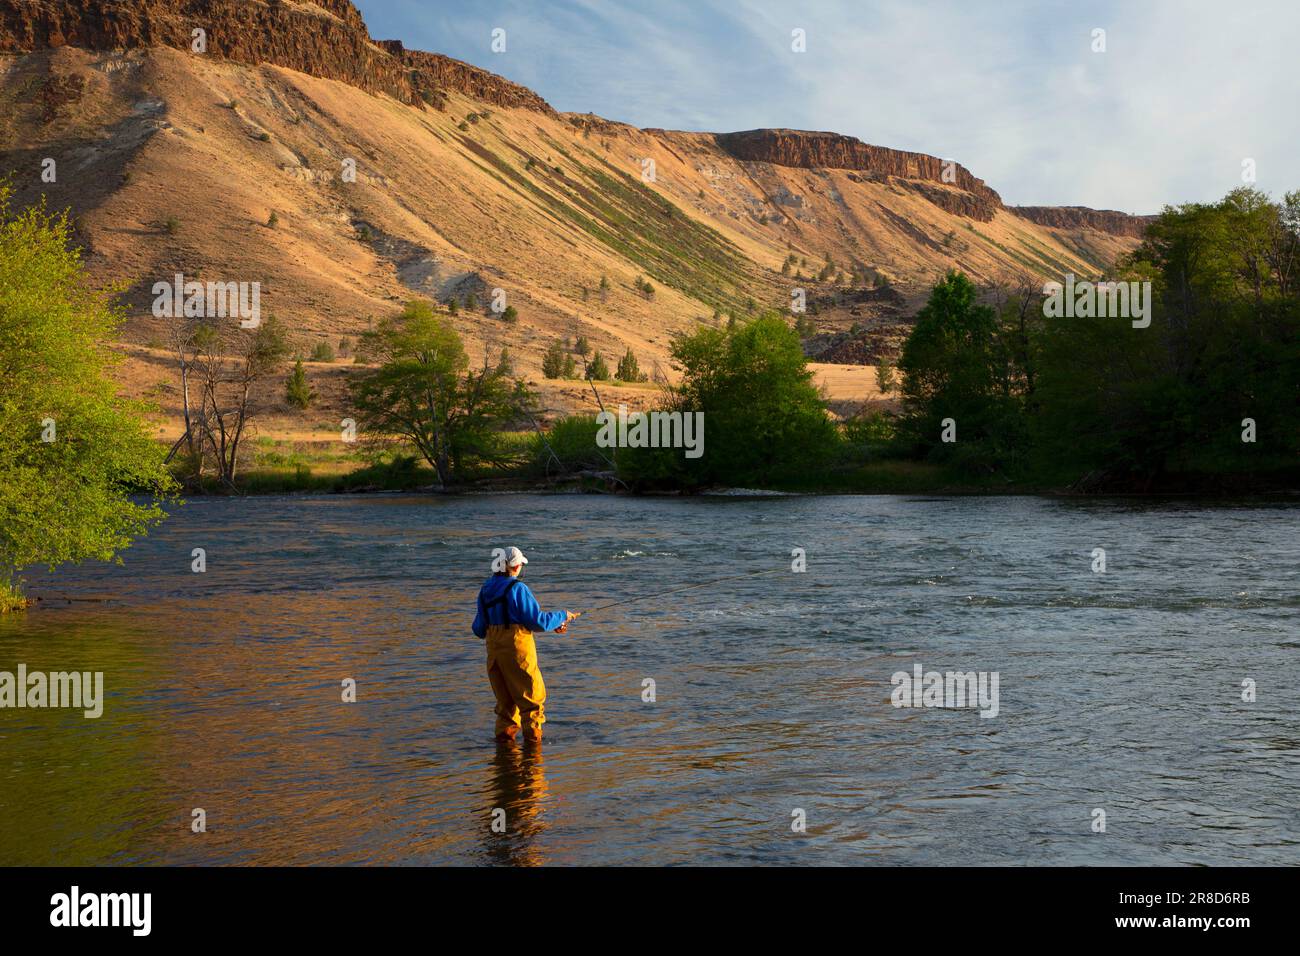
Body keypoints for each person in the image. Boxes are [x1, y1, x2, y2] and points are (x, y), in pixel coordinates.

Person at [472, 547, 575, 743]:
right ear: (516, 566)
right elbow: (537, 622)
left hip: (494, 653)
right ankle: (533, 757)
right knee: (531, 702)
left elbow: (478, 629)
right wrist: (563, 616)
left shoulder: (485, 590)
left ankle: (505, 755)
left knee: (506, 705)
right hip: (517, 650)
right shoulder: (518, 588)